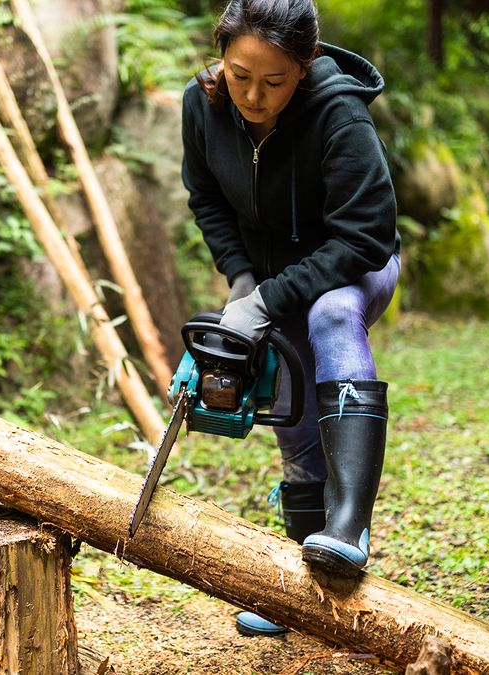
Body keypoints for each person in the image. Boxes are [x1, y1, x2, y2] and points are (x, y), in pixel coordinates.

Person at [180, 0, 400, 637]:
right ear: (221, 55)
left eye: (274, 81)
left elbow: (364, 236)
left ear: (304, 68)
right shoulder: (201, 106)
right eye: (239, 73)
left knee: (330, 315)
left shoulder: (339, 114)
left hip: (356, 266)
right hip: (272, 279)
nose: (253, 93)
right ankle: (309, 590)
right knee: (288, 388)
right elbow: (206, 198)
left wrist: (268, 301)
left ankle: (350, 523)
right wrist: (245, 283)